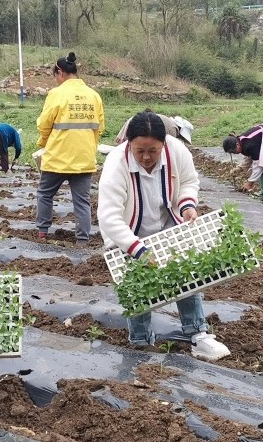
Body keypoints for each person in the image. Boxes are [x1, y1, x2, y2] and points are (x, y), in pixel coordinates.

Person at [97, 111, 231, 361]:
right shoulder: (117, 164)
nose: (146, 157)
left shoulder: (176, 151)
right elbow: (109, 217)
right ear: (128, 143)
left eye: (153, 151)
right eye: (140, 151)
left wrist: (188, 205)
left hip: (167, 222)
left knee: (185, 273)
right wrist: (137, 249)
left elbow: (190, 181)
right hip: (128, 232)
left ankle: (197, 333)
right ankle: (140, 343)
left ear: (163, 144)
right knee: (137, 285)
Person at [35, 52, 104, 246]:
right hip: (84, 159)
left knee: (45, 193)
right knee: (82, 202)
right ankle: (82, 240)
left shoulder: (56, 94)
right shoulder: (94, 95)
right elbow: (99, 127)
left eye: (55, 75)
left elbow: (44, 124)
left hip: (57, 157)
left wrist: (43, 143)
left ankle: (42, 233)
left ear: (60, 72)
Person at [114, 112, 194, 145]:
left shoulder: (170, 123)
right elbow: (168, 147)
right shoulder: (173, 129)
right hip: (137, 124)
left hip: (135, 120)